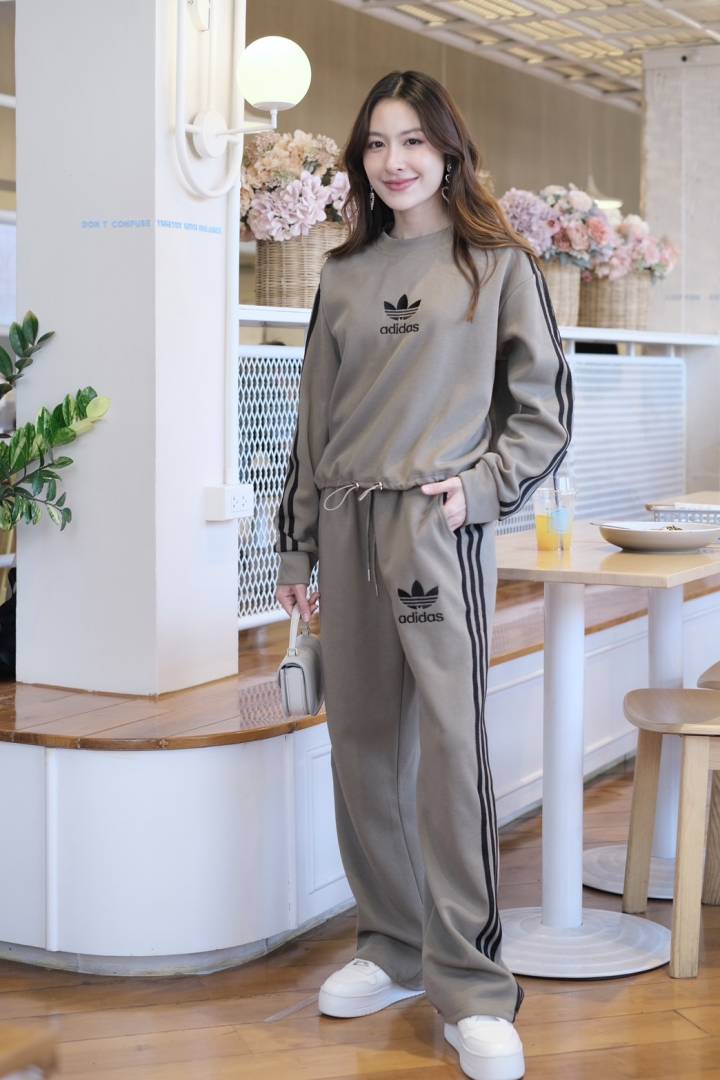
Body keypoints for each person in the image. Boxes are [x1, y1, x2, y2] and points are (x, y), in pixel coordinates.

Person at [274, 69, 573, 1080]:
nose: (393, 161)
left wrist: (478, 491)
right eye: (376, 143)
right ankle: (393, 946)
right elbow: (312, 425)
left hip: (436, 529)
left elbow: (544, 411)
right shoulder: (343, 275)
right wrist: (296, 548)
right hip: (346, 526)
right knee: (361, 748)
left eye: (412, 141)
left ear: (449, 151)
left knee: (448, 753)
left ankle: (473, 988)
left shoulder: (498, 266)